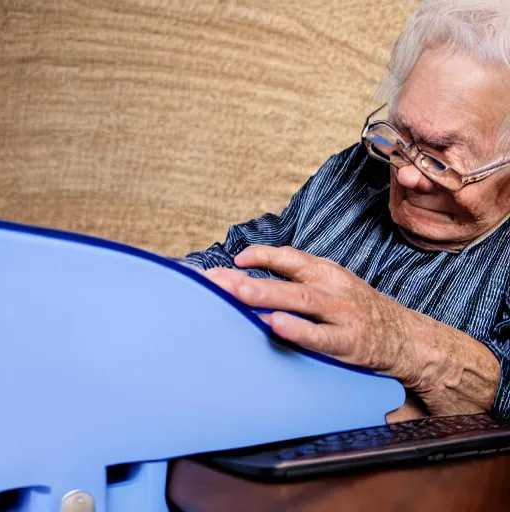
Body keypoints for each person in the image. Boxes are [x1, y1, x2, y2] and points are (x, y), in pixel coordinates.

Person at [181, 0, 510, 421]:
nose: (407, 175)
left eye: (441, 160)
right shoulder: (361, 168)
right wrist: (174, 284)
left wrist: (397, 340)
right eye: (402, 138)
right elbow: (254, 255)